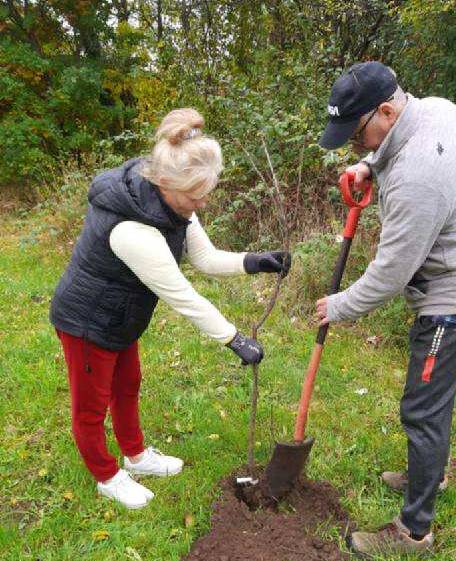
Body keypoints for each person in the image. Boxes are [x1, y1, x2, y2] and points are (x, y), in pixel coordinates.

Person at [50, 108, 290, 510]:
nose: (202, 203)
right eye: (196, 196)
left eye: (206, 193)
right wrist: (234, 339)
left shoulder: (176, 205)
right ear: (165, 183)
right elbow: (182, 295)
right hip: (87, 321)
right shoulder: (133, 230)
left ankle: (136, 455)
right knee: (91, 406)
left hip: (121, 317)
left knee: (128, 385)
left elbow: (206, 258)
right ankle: (107, 476)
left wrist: (254, 261)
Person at [317, 62, 456, 556]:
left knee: (422, 407)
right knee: (435, 396)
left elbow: (391, 273)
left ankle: (413, 532)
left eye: (357, 137)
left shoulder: (418, 175)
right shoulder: (435, 111)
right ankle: (431, 472)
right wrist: (369, 165)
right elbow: (393, 148)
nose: (354, 146)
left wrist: (338, 306)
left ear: (385, 110)